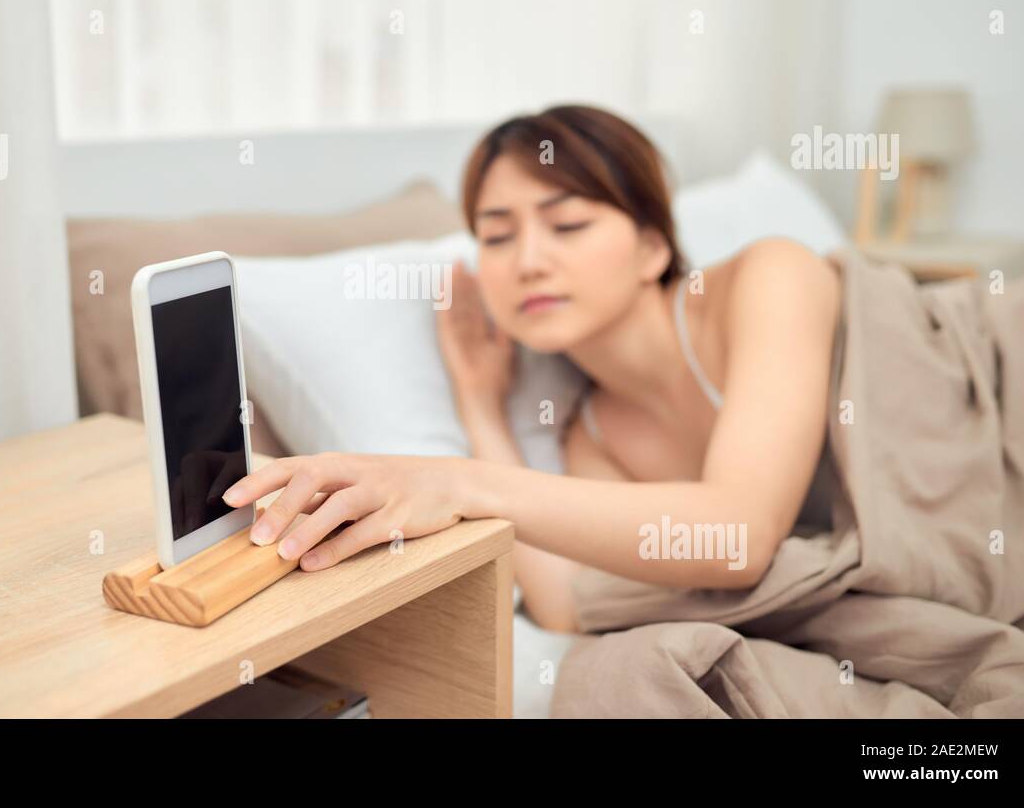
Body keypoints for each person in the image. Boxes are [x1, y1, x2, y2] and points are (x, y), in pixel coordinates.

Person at [220, 104, 841, 633]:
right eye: (496, 237)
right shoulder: (595, 434)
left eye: (568, 224)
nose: (529, 261)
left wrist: (460, 483)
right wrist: (480, 408)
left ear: (653, 247)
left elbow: (740, 537)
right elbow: (569, 606)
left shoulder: (772, 276)